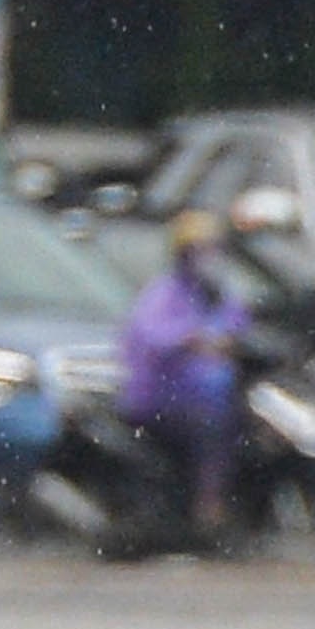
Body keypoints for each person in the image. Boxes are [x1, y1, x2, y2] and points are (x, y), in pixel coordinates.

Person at [117, 207, 246, 541]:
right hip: (163, 401)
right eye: (199, 250)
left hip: (214, 398)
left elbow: (239, 326)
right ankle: (207, 509)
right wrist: (188, 340)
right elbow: (150, 334)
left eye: (213, 249)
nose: (208, 257)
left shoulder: (218, 294)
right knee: (210, 434)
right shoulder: (164, 294)